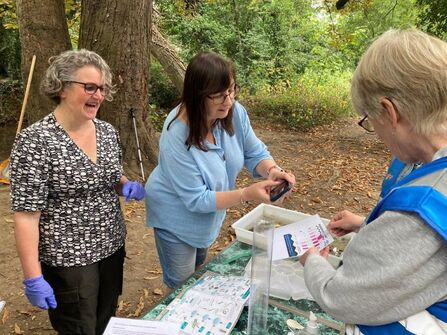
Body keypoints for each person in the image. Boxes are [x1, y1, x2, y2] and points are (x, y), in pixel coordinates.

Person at [299, 29, 447, 334]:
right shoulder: (433, 166)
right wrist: (368, 225)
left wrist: (312, 259)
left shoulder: (421, 206)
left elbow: (341, 297)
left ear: (389, 112)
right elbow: (418, 254)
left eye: (369, 121)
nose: (376, 134)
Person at [10, 49, 146, 335]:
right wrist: (33, 276)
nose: (98, 95)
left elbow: (108, 176)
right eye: (90, 87)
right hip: (69, 260)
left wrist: (124, 185)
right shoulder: (35, 141)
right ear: (61, 87)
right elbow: (26, 216)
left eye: (102, 88)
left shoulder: (107, 131)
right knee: (79, 328)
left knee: (105, 321)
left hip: (111, 247)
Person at [145, 51, 296, 289]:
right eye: (219, 95)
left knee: (198, 272)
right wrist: (247, 194)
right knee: (181, 286)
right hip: (175, 216)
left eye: (232, 90)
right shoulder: (176, 133)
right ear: (198, 96)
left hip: (209, 214)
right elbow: (196, 199)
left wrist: (272, 170)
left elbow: (254, 151)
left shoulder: (233, 112)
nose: (228, 100)